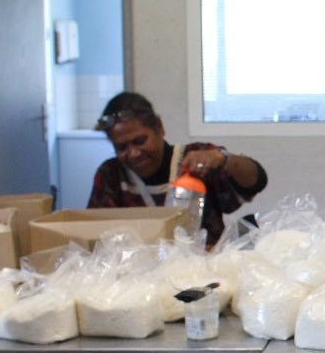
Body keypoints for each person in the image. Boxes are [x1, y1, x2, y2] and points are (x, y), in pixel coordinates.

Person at [88, 92, 267, 247]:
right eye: (121, 148)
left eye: (140, 141)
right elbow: (97, 234)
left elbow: (256, 181)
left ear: (159, 127)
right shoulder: (111, 175)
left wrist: (222, 159)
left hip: (204, 265)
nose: (133, 153)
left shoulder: (197, 157)